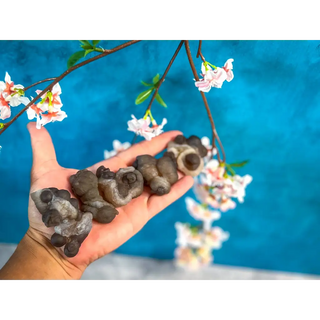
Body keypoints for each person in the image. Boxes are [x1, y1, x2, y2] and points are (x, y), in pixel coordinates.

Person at [0, 123, 194, 282]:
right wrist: (47, 252)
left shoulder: (107, 195)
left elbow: (100, 199)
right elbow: (85, 205)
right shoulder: (83, 203)